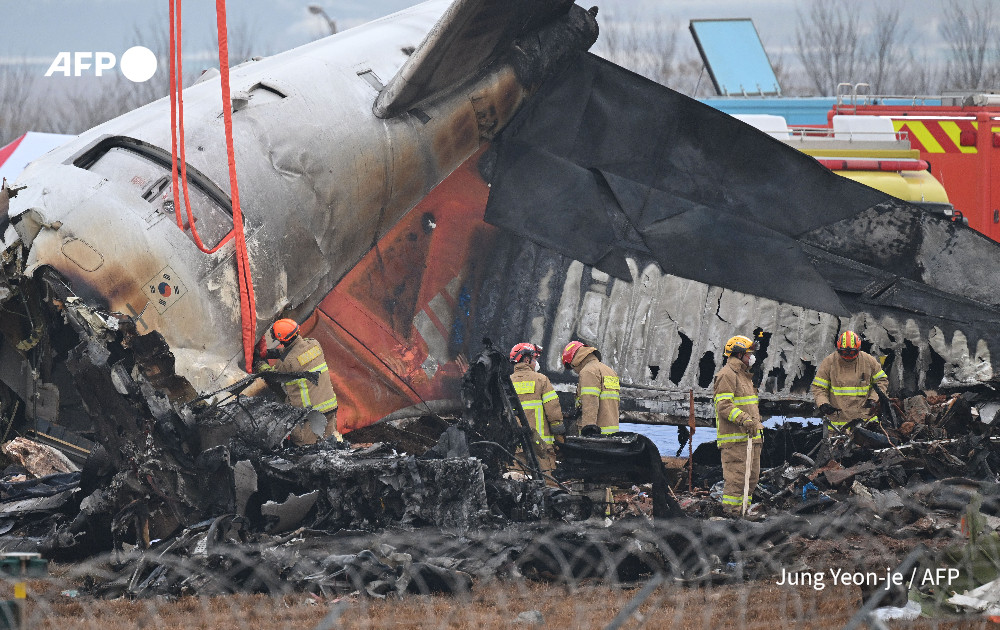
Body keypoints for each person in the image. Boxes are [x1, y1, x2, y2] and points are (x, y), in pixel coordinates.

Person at [255, 318, 341, 445]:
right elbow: (295, 351)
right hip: (330, 408)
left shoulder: (287, 362)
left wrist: (259, 363)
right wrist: (270, 353)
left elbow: (271, 375)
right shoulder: (314, 344)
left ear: (280, 338)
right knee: (330, 446)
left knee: (306, 451)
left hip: (309, 416)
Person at [713, 334, 763, 518]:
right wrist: (744, 420)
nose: (752, 357)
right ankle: (732, 518)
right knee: (736, 482)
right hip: (736, 441)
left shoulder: (744, 376)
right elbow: (724, 405)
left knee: (751, 480)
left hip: (751, 439)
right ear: (739, 354)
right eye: (749, 353)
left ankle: (743, 514)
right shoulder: (727, 375)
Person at [811, 330, 888, 433]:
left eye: (852, 352)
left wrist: (873, 399)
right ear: (838, 349)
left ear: (858, 349)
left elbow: (881, 381)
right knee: (835, 448)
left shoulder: (868, 361)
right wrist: (823, 403)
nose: (848, 355)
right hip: (838, 422)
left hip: (865, 421)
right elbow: (819, 387)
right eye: (844, 352)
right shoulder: (829, 362)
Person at [508, 342, 565, 478]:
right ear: (527, 359)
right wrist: (560, 441)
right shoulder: (541, 380)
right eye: (535, 359)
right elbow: (554, 414)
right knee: (548, 486)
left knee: (518, 488)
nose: (536, 363)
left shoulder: (506, 382)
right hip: (541, 447)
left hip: (515, 448)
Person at [561, 341, 620, 436]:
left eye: (572, 366)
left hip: (596, 434)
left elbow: (590, 401)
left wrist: (588, 428)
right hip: (611, 432)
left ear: (574, 361)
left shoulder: (588, 371)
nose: (575, 371)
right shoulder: (609, 371)